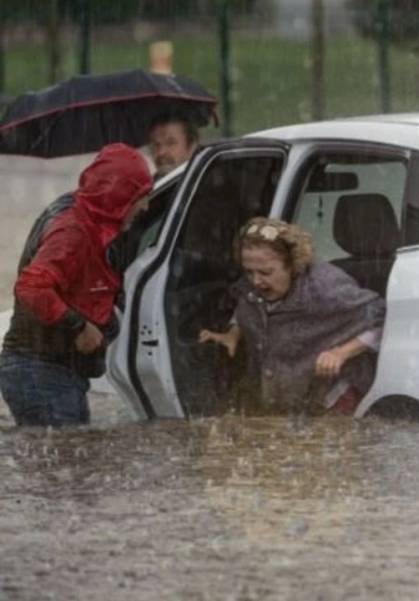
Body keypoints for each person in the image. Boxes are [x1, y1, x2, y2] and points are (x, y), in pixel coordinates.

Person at [0, 144, 152, 427]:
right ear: (118, 196)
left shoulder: (90, 216)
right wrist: (79, 326)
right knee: (65, 464)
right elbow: (32, 287)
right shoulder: (73, 231)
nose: (145, 206)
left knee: (67, 464)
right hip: (40, 372)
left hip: (53, 372)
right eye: (141, 196)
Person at [198, 218, 385, 415]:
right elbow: (249, 304)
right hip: (288, 397)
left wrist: (341, 352)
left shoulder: (324, 286)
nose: (256, 281)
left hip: (333, 396)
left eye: (266, 272)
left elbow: (384, 319)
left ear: (292, 263)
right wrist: (234, 333)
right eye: (248, 272)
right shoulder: (250, 286)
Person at [147, 112, 198, 179]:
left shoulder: (207, 183)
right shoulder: (148, 187)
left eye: (170, 143)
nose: (161, 152)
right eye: (156, 145)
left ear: (191, 147)